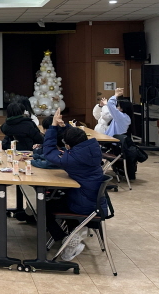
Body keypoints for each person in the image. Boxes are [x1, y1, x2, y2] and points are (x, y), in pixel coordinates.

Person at [42, 108, 106, 261]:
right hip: (95, 200)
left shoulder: (72, 159)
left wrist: (53, 126)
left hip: (83, 204)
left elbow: (49, 152)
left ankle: (65, 239)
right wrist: (63, 126)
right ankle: (74, 232)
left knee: (44, 206)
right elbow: (76, 136)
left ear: (68, 146)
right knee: (59, 199)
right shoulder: (93, 148)